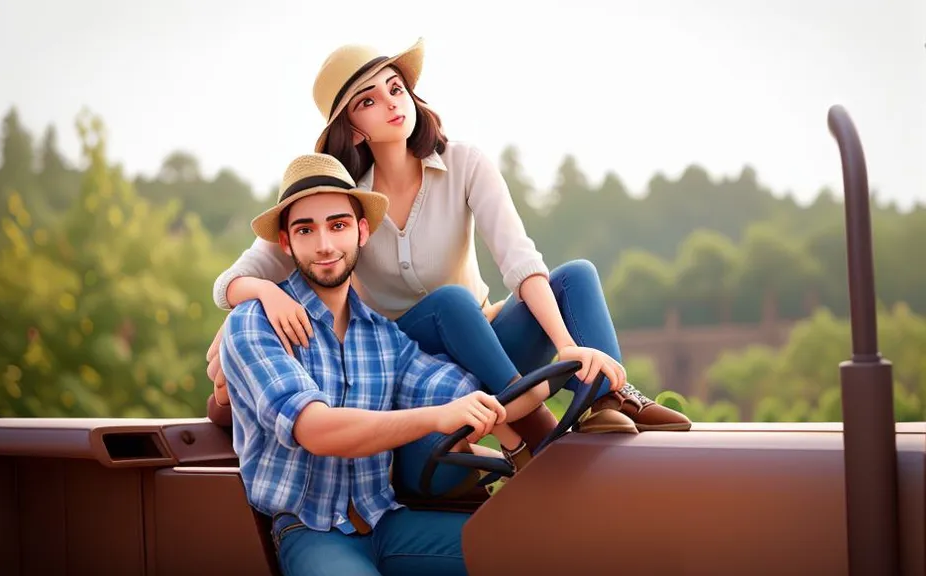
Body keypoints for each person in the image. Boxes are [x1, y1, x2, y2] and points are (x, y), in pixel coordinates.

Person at [207, 37, 690, 456]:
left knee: (576, 274)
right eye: (370, 100)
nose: (393, 103)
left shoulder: (464, 164)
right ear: (352, 127)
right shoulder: (340, 202)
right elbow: (232, 280)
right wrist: (265, 296)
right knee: (451, 302)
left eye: (396, 89)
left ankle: (608, 395)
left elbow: (520, 262)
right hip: (410, 363)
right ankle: (528, 424)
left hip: (486, 344)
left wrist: (569, 347)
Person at [221, 153, 554, 575]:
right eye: (306, 229)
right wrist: (437, 418)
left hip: (388, 520)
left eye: (338, 225)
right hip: (311, 532)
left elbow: (461, 394)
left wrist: (540, 390)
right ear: (286, 243)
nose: (324, 244)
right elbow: (317, 430)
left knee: (534, 553)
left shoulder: (384, 337)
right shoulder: (254, 323)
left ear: (362, 231)